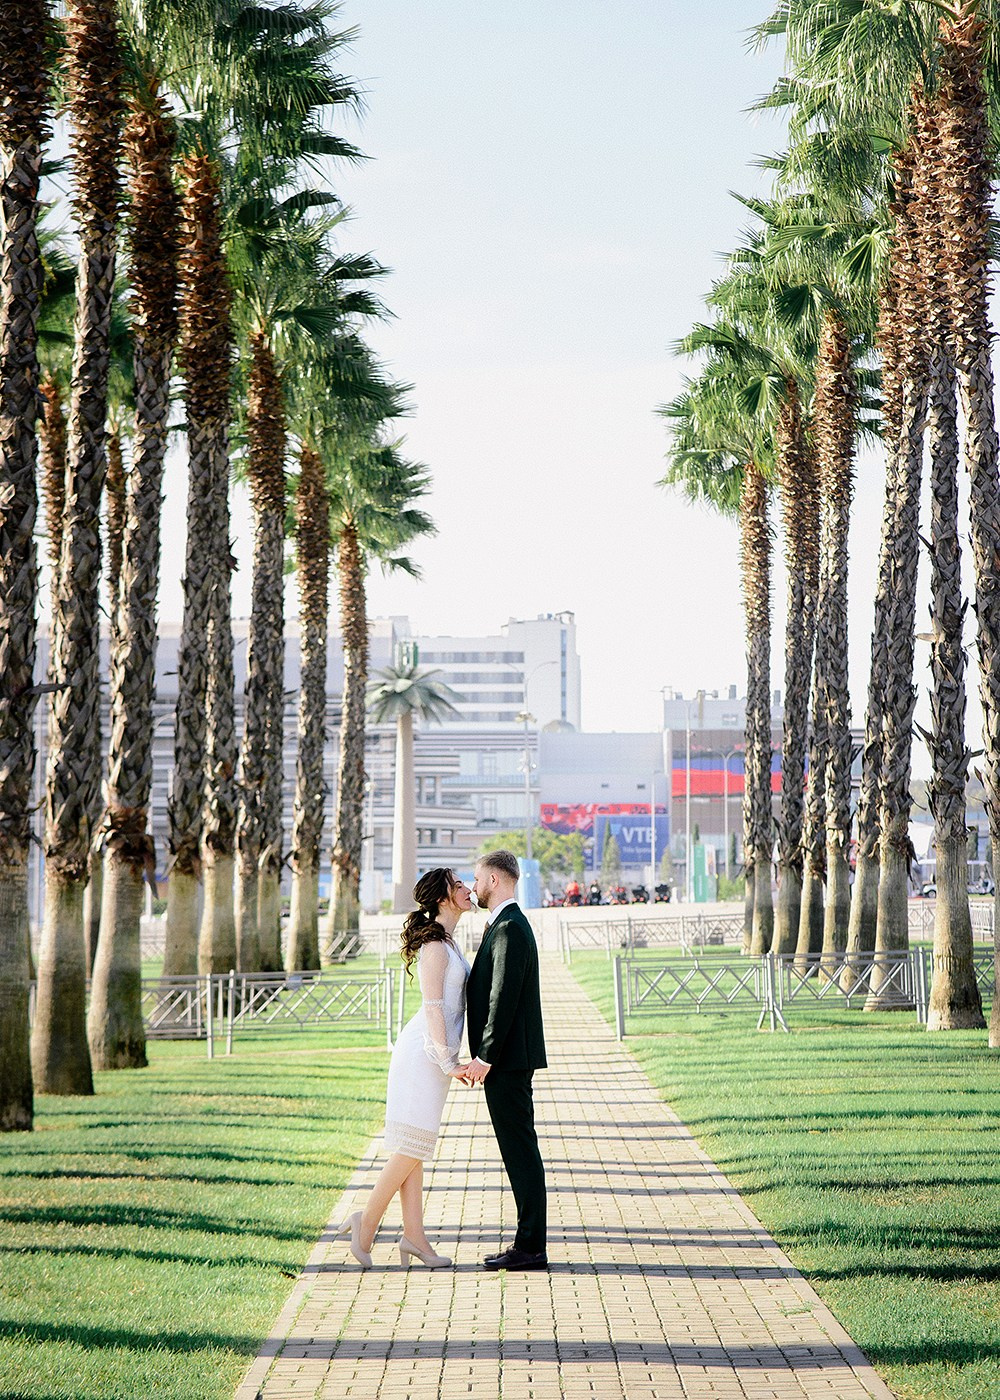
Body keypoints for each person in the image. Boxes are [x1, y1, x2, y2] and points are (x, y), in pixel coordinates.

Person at [336, 867, 472, 1269]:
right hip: (424, 1055)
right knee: (410, 1147)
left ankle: (414, 1237)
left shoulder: (448, 941)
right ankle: (367, 1223)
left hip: (433, 1053)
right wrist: (449, 1061)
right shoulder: (434, 946)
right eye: (459, 884)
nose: (468, 889)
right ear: (444, 898)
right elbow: (433, 1006)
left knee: (414, 1147)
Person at [458, 849, 548, 1271]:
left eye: (476, 880)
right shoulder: (506, 924)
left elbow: (503, 999)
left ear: (494, 880)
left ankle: (530, 1247)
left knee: (520, 1150)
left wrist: (485, 1057)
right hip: (508, 1060)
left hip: (507, 1061)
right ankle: (526, 1242)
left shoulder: (510, 927)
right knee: (518, 1149)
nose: (472, 888)